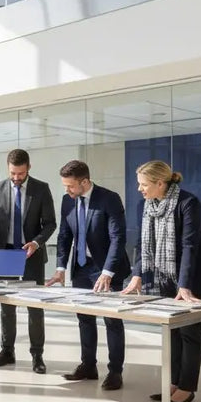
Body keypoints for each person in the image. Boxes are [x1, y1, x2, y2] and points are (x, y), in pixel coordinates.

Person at [122, 161, 201, 402]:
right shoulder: (148, 205)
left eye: (143, 184)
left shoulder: (188, 203)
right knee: (172, 330)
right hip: (166, 272)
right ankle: (174, 382)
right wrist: (137, 275)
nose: (139, 189)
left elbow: (190, 245)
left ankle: (187, 388)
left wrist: (184, 285)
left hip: (195, 274)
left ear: (159, 183)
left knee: (189, 331)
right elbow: (143, 243)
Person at [45, 160, 130, 390]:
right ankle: (88, 365)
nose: (67, 190)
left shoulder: (109, 198)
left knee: (112, 320)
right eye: (65, 186)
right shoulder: (68, 200)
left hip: (107, 268)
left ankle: (115, 372)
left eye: (70, 186)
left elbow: (118, 237)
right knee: (84, 318)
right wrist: (61, 268)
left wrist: (108, 272)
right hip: (81, 267)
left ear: (84, 182)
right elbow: (64, 235)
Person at [0, 148, 57, 373]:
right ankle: (7, 351)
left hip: (31, 254)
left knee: (35, 306)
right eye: (12, 173)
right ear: (8, 168)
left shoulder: (41, 189)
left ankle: (37, 355)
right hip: (5, 254)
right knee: (6, 305)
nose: (16, 177)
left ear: (28, 168)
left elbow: (50, 223)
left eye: (20, 173)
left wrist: (36, 242)